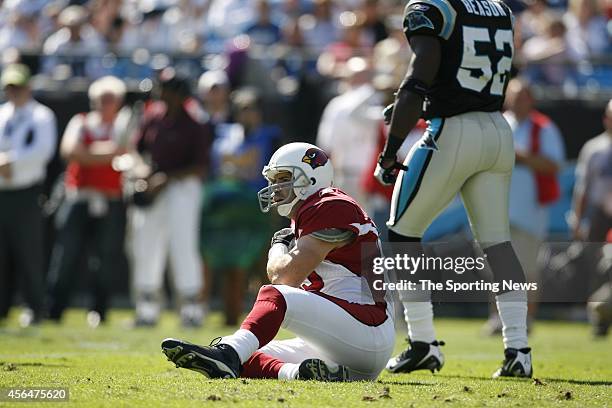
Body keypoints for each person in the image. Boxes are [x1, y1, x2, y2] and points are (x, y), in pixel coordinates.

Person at [374, 0, 532, 377]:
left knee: (401, 232)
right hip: (497, 129)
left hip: (452, 131)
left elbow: (419, 78)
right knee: (498, 243)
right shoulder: (500, 9)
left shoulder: (432, 8)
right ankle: (519, 350)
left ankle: (422, 342)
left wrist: (389, 151)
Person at [162, 142, 395, 381]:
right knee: (248, 351)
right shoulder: (312, 212)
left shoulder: (329, 204)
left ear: (310, 178)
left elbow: (285, 278)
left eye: (283, 178)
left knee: (275, 296)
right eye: (272, 180)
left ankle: (227, 355)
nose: (275, 188)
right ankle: (297, 374)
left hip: (367, 329)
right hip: (345, 341)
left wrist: (278, 246)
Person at [131, 68, 213, 327]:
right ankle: (147, 309)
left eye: (165, 88)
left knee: (183, 244)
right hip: (154, 185)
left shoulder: (195, 122)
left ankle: (191, 309)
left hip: (182, 188)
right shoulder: (152, 117)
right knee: (147, 245)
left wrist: (165, 178)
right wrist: (143, 171)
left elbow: (200, 167)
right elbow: (136, 151)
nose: (160, 92)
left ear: (179, 93)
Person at [46, 76, 129, 327]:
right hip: (79, 197)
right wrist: (109, 154)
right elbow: (70, 152)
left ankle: (99, 310)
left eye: (110, 99)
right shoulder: (81, 121)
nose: (105, 104)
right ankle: (54, 309)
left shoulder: (123, 124)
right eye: (101, 99)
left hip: (111, 199)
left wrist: (89, 155)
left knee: (105, 259)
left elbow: (123, 152)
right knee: (66, 255)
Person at [200, 88, 282, 326]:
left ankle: (271, 314)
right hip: (227, 210)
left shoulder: (271, 136)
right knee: (229, 263)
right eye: (243, 109)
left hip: (259, 208)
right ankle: (229, 315)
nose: (247, 114)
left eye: (252, 109)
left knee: (264, 262)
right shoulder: (223, 134)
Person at [0, 63, 57, 326]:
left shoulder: (41, 116)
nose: (14, 92)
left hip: (27, 192)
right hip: (3, 191)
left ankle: (35, 306)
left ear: (28, 87)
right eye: (9, 87)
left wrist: (11, 164)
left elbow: (43, 150)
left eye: (18, 87)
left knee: (29, 253)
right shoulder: (2, 114)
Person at [571, 99, 612, 337]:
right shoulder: (593, 147)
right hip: (599, 216)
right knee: (597, 268)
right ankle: (599, 320)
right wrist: (578, 219)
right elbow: (582, 188)